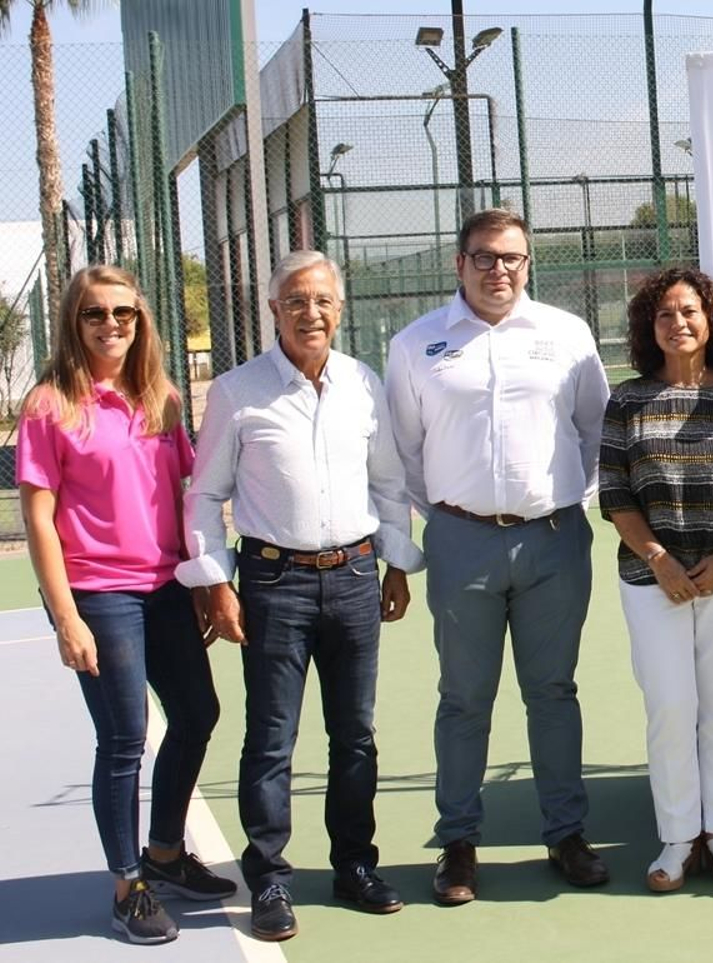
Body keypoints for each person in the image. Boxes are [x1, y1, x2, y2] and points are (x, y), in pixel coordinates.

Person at [181, 250, 421, 940]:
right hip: (271, 583)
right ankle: (271, 879)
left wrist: (397, 564)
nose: (309, 312)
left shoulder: (363, 384)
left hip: (353, 578)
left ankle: (355, 865)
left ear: (338, 309)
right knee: (271, 739)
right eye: (294, 300)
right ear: (274, 311)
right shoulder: (236, 391)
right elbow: (206, 497)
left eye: (320, 300)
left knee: (355, 735)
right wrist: (216, 583)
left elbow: (389, 486)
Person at [386, 208, 612, 903]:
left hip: (554, 539)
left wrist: (554, 498)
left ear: (527, 263)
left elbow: (595, 429)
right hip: (460, 543)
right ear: (459, 264)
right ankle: (458, 843)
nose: (498, 270)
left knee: (553, 693)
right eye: (484, 257)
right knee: (463, 700)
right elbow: (404, 454)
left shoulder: (566, 336)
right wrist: (453, 516)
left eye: (511, 257)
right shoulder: (415, 345)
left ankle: (566, 834)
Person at [17, 265, 232, 945]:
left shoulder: (161, 398)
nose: (111, 325)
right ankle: (126, 885)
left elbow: (181, 497)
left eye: (124, 313)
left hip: (165, 587)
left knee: (198, 713)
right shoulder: (50, 405)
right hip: (97, 594)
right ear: (73, 323)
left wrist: (199, 580)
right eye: (95, 314)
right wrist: (67, 615)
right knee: (124, 737)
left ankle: (164, 852)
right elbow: (40, 520)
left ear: (141, 322)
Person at [600, 267, 713, 892]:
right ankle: (677, 839)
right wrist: (659, 559)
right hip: (654, 581)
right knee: (671, 707)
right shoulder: (627, 400)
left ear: (712, 322)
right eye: (665, 314)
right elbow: (616, 493)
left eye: (690, 311)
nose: (679, 323)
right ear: (651, 329)